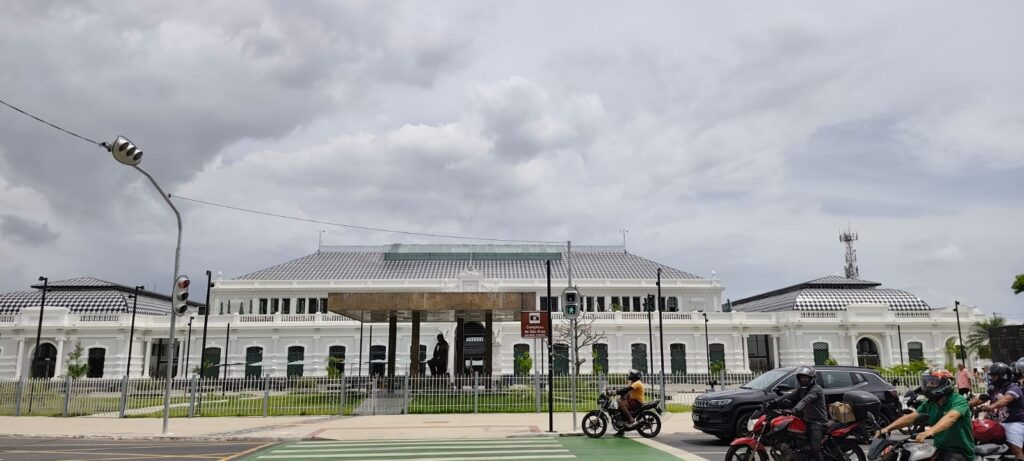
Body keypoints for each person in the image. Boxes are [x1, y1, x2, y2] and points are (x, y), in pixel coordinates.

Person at [878, 368, 974, 461]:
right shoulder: (930, 403)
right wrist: (886, 429)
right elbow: (910, 417)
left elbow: (951, 417)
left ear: (946, 383)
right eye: (927, 383)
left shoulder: (958, 400)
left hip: (959, 451)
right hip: (939, 448)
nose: (928, 386)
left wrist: (929, 431)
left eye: (933, 383)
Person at [771, 365, 826, 461]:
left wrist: (794, 410)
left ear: (812, 378)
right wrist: (773, 402)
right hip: (806, 420)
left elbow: (805, 401)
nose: (803, 380)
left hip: (818, 422)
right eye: (801, 377)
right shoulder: (802, 389)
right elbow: (788, 395)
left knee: (815, 448)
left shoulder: (816, 389)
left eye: (805, 377)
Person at [976, 362, 1024, 460]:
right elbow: (980, 398)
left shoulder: (1013, 387)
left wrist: (990, 407)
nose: (992, 378)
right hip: (996, 422)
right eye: (991, 375)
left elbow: (1006, 399)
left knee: (1015, 448)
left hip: (1013, 422)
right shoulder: (993, 388)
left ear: (1003, 376)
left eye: (994, 375)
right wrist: (966, 404)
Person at [612, 369, 645, 436]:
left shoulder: (637, 383)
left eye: (631, 375)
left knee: (621, 403)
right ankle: (621, 430)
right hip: (633, 401)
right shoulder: (633, 383)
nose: (630, 376)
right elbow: (627, 392)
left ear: (635, 376)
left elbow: (627, 390)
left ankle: (631, 420)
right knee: (619, 404)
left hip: (636, 402)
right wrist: (621, 396)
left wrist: (616, 392)